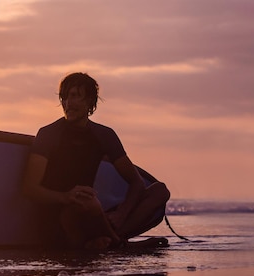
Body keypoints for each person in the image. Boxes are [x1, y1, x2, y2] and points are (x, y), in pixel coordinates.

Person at [22, 72, 170, 250]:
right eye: (64, 97)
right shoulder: (49, 134)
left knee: (160, 191)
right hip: (61, 214)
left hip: (92, 214)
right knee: (88, 202)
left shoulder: (104, 135)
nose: (68, 103)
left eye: (75, 96)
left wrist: (121, 214)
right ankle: (117, 243)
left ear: (90, 101)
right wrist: (66, 197)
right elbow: (30, 188)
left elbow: (136, 182)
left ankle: (108, 240)